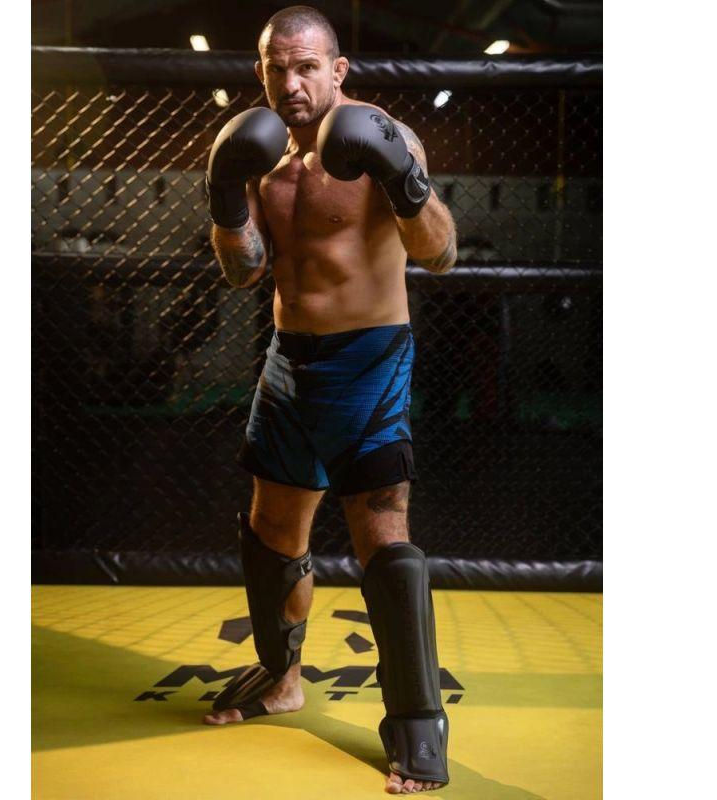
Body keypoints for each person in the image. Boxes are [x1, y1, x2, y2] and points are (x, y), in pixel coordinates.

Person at [203, 5, 457, 795]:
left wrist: (402, 177)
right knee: (272, 532)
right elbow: (244, 271)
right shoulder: (257, 152)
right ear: (260, 72)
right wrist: (223, 195)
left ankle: (417, 725)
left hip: (369, 358)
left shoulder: (384, 136)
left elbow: (441, 252)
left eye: (307, 67)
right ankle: (281, 680)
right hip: (289, 361)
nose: (292, 82)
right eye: (277, 68)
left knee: (383, 535)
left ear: (337, 70)